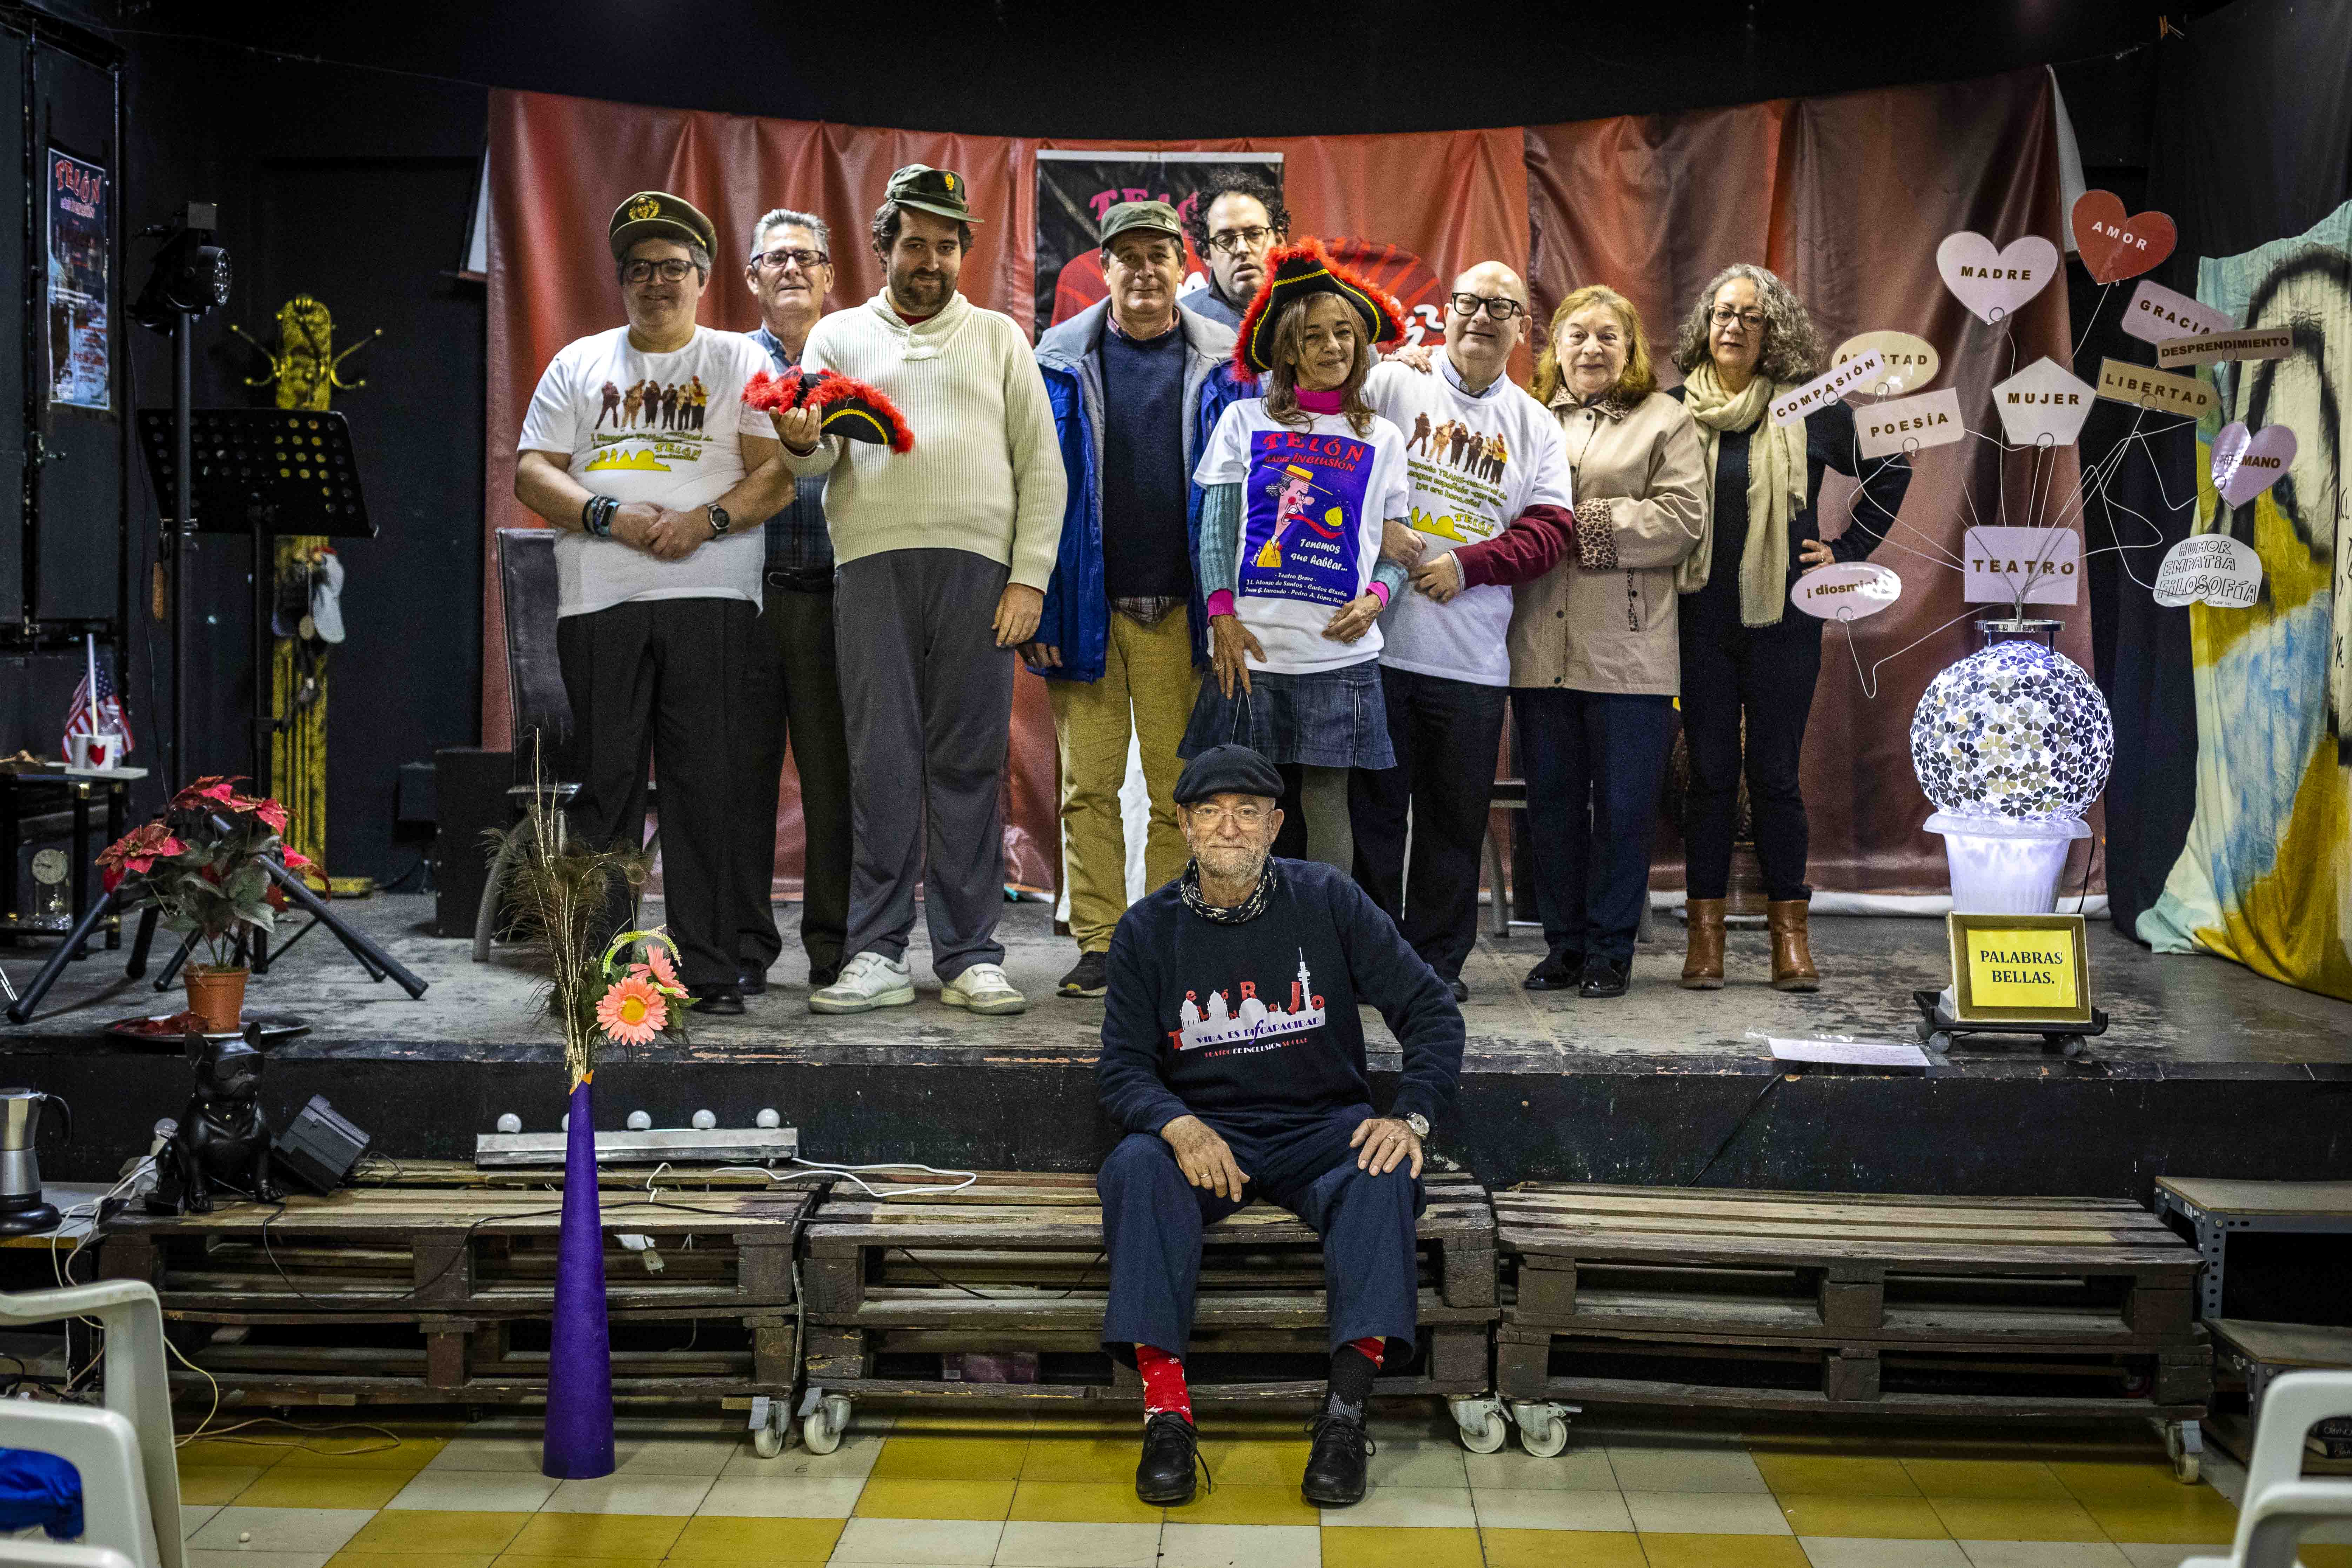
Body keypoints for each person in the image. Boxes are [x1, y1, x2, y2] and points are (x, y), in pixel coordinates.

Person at [1094, 743, 1463, 1509]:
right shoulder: (1144, 929)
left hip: (1319, 1127)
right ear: (1185, 825)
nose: (1228, 826)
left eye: (1247, 811)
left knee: (1384, 1164)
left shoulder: (1327, 897)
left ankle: (1344, 1414)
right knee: (1134, 1165)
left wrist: (1414, 1114)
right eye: (1209, 810)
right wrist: (1177, 1124)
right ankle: (1167, 1415)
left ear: (1275, 824)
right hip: (1209, 1135)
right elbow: (1124, 1069)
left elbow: (1430, 1008)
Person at [774, 165, 1066, 1017]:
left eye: (946, 244)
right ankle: (874, 953)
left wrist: (1029, 579)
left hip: (978, 576)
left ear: (962, 252)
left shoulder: (1002, 338)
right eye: (914, 242)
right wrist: (799, 442)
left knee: (968, 765)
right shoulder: (832, 339)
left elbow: (1039, 466)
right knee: (881, 764)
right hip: (869, 569)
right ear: (883, 248)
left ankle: (972, 953)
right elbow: (820, 459)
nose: (929, 259)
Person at [513, 191, 790, 1015]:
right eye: (640, 269)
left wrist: (705, 520)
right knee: (606, 786)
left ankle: (709, 969)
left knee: (708, 784)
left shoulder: (739, 362)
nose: (656, 282)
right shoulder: (579, 361)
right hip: (600, 596)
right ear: (622, 281)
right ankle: (601, 967)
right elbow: (533, 470)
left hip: (710, 594)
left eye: (672, 268)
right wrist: (607, 513)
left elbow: (775, 473)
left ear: (703, 278)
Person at [1029, 202, 1253, 999]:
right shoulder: (1055, 360)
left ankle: (1161, 939)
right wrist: (1045, 609)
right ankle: (1097, 942)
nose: (1145, 271)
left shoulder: (1226, 365)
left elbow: (1244, 496)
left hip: (1181, 614)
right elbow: (1033, 493)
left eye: (1159, 254)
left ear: (1179, 265)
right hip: (1087, 612)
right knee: (1085, 789)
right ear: (1105, 268)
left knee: (1176, 791)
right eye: (1128, 257)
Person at [1670, 263, 1910, 990]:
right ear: (1704, 325)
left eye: (1750, 315)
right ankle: (1705, 940)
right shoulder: (1675, 407)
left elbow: (1893, 462)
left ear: (1773, 331)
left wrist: (1846, 548)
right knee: (1710, 777)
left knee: (1774, 776)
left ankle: (1788, 940)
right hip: (1696, 620)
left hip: (1786, 624)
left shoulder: (1812, 406)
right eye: (1722, 313)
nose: (1732, 326)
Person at [1353, 264, 1576, 1000]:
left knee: (1453, 829)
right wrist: (1376, 525)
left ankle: (1433, 969)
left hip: (1473, 661)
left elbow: (1550, 532)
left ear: (1521, 329)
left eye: (1501, 307)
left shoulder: (1535, 423)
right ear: (1444, 314)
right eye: (1470, 302)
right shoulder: (1391, 384)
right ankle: (1372, 960)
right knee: (1374, 820)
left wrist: (1469, 564)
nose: (1483, 316)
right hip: (1375, 649)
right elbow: (1326, 455)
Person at [1180, 240, 1413, 872]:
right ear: (1287, 350)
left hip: (1338, 651)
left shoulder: (1383, 437)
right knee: (1239, 804)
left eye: (1344, 333)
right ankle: (1245, 941)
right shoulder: (1243, 421)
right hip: (1251, 647)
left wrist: (1376, 599)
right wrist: (1220, 617)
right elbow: (1213, 531)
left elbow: (1398, 548)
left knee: (1326, 802)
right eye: (1315, 336)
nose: (1334, 347)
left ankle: (1325, 945)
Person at [1512, 285, 1706, 997]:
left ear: (1630, 350)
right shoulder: (1526, 417)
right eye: (1576, 335)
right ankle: (1562, 946)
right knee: (1553, 806)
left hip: (1630, 651)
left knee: (1624, 809)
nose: (1590, 348)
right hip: (1537, 647)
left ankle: (1608, 950)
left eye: (1607, 337)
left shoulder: (1665, 418)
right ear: (1554, 347)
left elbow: (1683, 517)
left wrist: (1577, 527)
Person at [733, 207, 854, 997]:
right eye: (775, 258)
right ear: (750, 277)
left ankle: (835, 949)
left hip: (837, 600)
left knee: (836, 784)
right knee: (736, 779)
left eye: (806, 258)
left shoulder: (856, 358)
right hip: (743, 598)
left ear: (830, 275)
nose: (791, 270)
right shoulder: (721, 364)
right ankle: (742, 947)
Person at [1179, 172, 1289, 330]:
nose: (1242, 249)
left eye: (1255, 234)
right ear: (1207, 254)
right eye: (1226, 240)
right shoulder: (1183, 321)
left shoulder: (1314, 309)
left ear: (1279, 241)